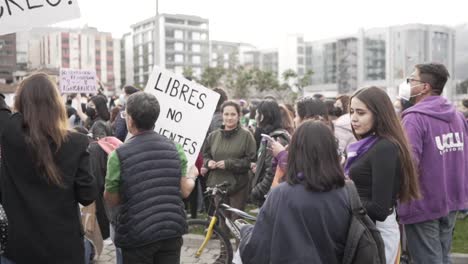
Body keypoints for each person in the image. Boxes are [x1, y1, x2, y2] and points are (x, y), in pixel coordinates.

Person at [0, 73, 97, 264]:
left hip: (19, 249)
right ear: (56, 103)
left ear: (20, 102)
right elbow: (87, 195)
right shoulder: (77, 142)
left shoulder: (8, 132)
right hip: (64, 249)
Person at [104, 92, 197, 264]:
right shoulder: (175, 148)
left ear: (130, 120)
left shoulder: (117, 155)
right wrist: (192, 175)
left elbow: (111, 199)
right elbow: (185, 191)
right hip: (170, 230)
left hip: (136, 234)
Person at [240, 121, 351, 264]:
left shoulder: (281, 194)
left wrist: (246, 231)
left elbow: (256, 250)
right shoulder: (347, 192)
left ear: (296, 151)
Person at [397, 63, 468, 264]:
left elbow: (408, 163)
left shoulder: (414, 118)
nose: (408, 84)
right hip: (452, 199)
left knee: (429, 259)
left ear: (425, 87)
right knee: (443, 256)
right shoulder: (457, 116)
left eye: (412, 79)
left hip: (423, 202)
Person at [346, 86, 421, 264]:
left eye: (361, 112)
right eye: (351, 112)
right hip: (364, 228)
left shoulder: (385, 147)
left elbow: (380, 209)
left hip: (376, 233)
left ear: (379, 114)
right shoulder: (368, 145)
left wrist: (342, 197)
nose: (353, 118)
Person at [203, 101, 256, 213]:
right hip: (218, 184)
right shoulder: (213, 136)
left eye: (233, 114)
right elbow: (205, 155)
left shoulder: (246, 136)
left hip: (238, 185)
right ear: (222, 115)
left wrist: (229, 164)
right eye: (226, 114)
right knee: (222, 221)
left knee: (236, 221)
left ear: (239, 116)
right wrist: (208, 163)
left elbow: (251, 161)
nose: (229, 118)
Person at [250, 99, 290, 206]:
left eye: (257, 114)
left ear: (263, 116)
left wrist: (258, 191)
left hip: (270, 195)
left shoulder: (275, 139)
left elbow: (272, 171)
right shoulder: (269, 136)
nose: (255, 117)